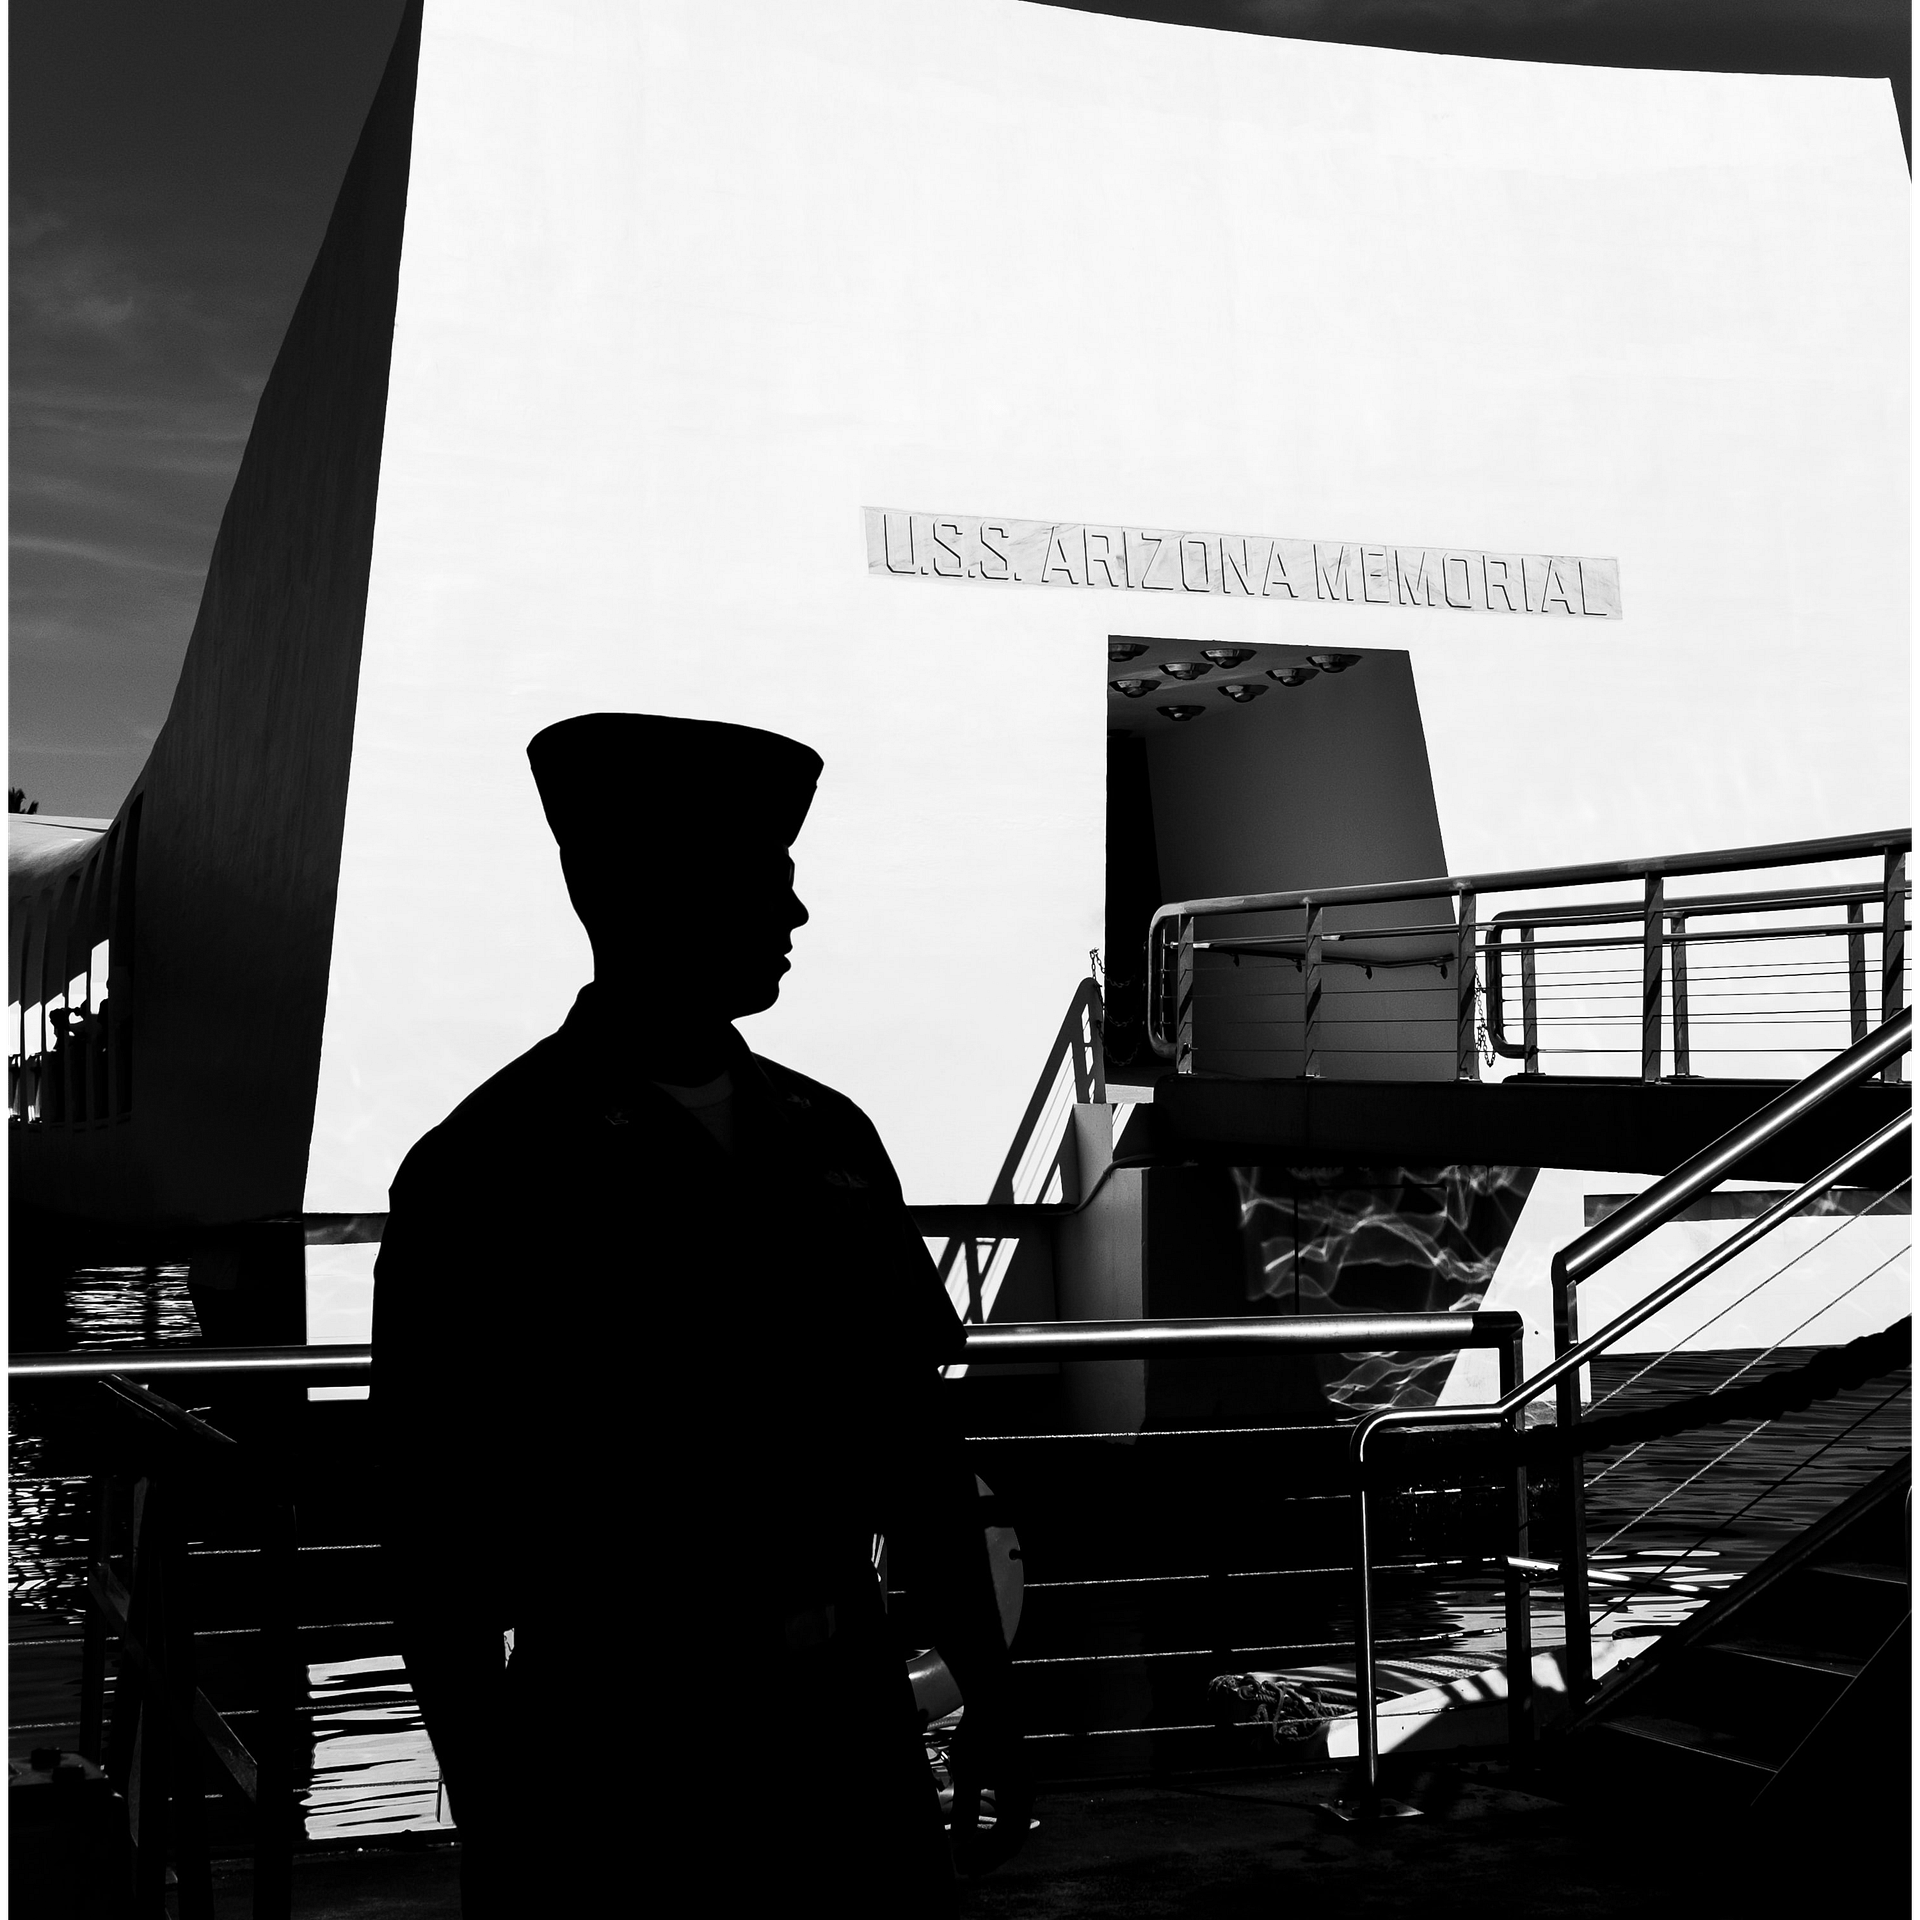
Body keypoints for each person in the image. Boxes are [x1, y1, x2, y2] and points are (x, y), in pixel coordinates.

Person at [373, 713, 1029, 1914]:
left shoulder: (830, 1133)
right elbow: (433, 1527)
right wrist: (490, 1804)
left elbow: (916, 1451)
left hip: (845, 1726)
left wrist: (988, 1689)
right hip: (620, 1746)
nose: (795, 917)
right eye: (763, 881)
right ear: (641, 893)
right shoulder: (489, 1165)